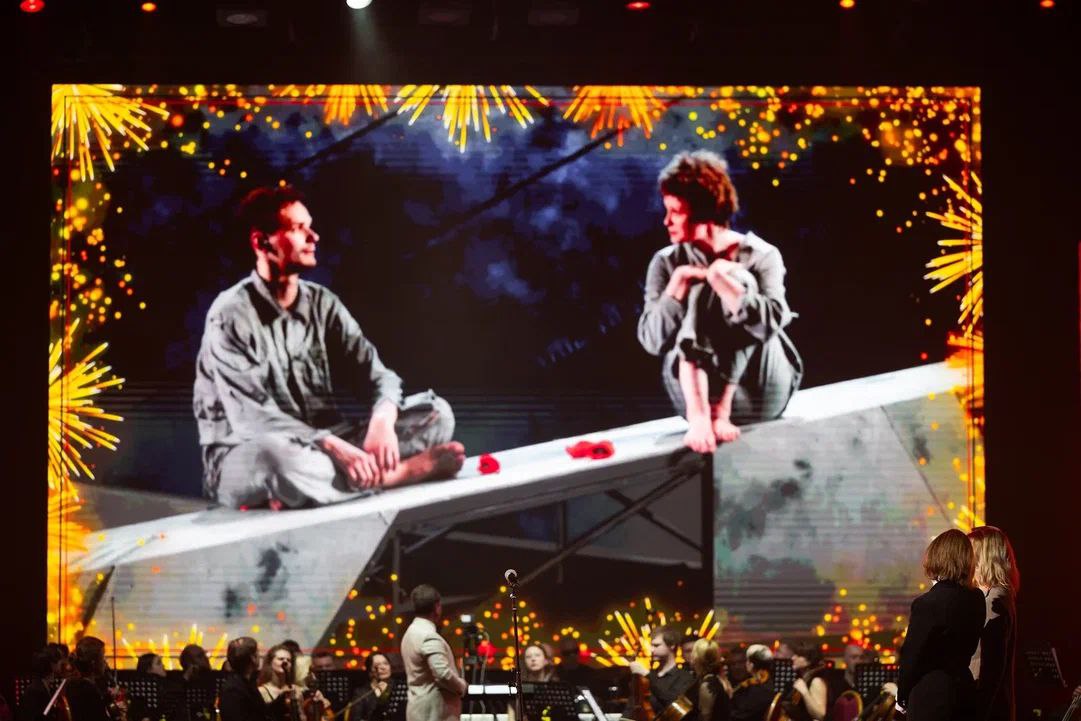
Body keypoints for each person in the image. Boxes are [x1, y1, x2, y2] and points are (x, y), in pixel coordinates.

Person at [194, 185, 466, 509]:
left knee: (437, 414)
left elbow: (379, 375)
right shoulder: (229, 316)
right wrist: (333, 446)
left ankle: (307, 490)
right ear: (262, 242)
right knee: (275, 459)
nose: (314, 237)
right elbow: (251, 419)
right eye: (298, 228)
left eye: (310, 226)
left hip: (326, 443)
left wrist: (382, 420)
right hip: (245, 454)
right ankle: (399, 474)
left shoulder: (323, 304)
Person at [637, 150, 803, 453]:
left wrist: (724, 283)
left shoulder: (762, 255)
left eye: (675, 212)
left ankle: (718, 408)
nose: (666, 221)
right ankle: (704, 412)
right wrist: (679, 283)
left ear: (702, 211)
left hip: (759, 390)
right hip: (692, 394)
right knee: (702, 288)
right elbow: (652, 341)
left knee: (735, 281)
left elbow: (770, 324)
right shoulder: (666, 263)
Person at [895, 529, 985, 720]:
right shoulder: (976, 598)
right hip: (964, 692)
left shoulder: (927, 603)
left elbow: (912, 656)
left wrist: (902, 695)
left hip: (931, 695)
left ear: (936, 557)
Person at [968, 526, 1020, 721]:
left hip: (985, 707)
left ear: (984, 558)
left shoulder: (993, 600)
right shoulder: (998, 595)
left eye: (970, 553)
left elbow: (988, 665)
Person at [401, 584, 468, 721]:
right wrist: (461, 686)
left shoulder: (410, 632)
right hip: (434, 713)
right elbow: (442, 674)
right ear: (437, 607)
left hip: (418, 710)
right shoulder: (428, 636)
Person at [627, 626, 696, 717]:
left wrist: (647, 675)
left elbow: (674, 705)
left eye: (656, 645)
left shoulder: (685, 677)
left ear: (672, 645)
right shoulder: (649, 675)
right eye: (651, 645)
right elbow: (631, 707)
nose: (651, 650)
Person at [786, 641, 846, 721]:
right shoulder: (803, 678)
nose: (793, 658)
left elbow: (820, 715)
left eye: (799, 655)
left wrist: (804, 692)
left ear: (809, 661)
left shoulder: (817, 681)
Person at [65, 637, 115, 721]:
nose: (105, 662)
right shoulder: (88, 691)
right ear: (93, 662)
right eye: (103, 657)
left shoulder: (73, 685)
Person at [219, 637, 268, 721]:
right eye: (257, 652)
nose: (259, 656)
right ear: (253, 658)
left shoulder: (246, 683)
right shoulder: (233, 690)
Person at [687, 639, 730, 721]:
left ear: (697, 657)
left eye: (693, 651)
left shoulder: (707, 685)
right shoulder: (714, 679)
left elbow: (705, 717)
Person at [729, 644, 773, 721]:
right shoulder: (761, 683)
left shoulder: (759, 689)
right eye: (732, 664)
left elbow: (740, 716)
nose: (737, 667)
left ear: (751, 664)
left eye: (741, 662)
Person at [348, 653, 396, 721]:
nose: (383, 667)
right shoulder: (361, 693)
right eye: (377, 665)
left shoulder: (398, 687)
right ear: (370, 670)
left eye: (386, 663)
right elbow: (355, 718)